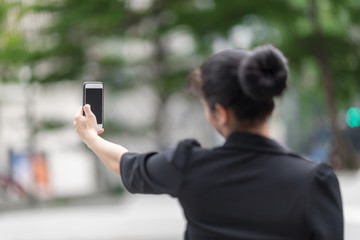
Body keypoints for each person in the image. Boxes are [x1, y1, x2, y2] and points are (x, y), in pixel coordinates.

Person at [74, 45, 343, 240]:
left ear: (221, 113)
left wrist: (90, 136)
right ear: (271, 105)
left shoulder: (189, 166)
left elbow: (124, 164)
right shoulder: (315, 180)